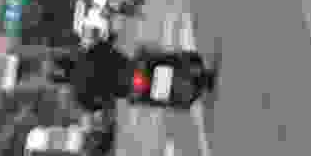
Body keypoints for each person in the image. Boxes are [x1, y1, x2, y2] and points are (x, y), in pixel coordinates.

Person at [69, 39, 211, 114]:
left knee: (153, 100)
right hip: (133, 67)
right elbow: (107, 46)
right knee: (161, 56)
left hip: (131, 89)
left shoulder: (79, 94)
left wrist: (107, 98)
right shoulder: (89, 53)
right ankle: (189, 65)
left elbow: (96, 107)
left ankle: (183, 98)